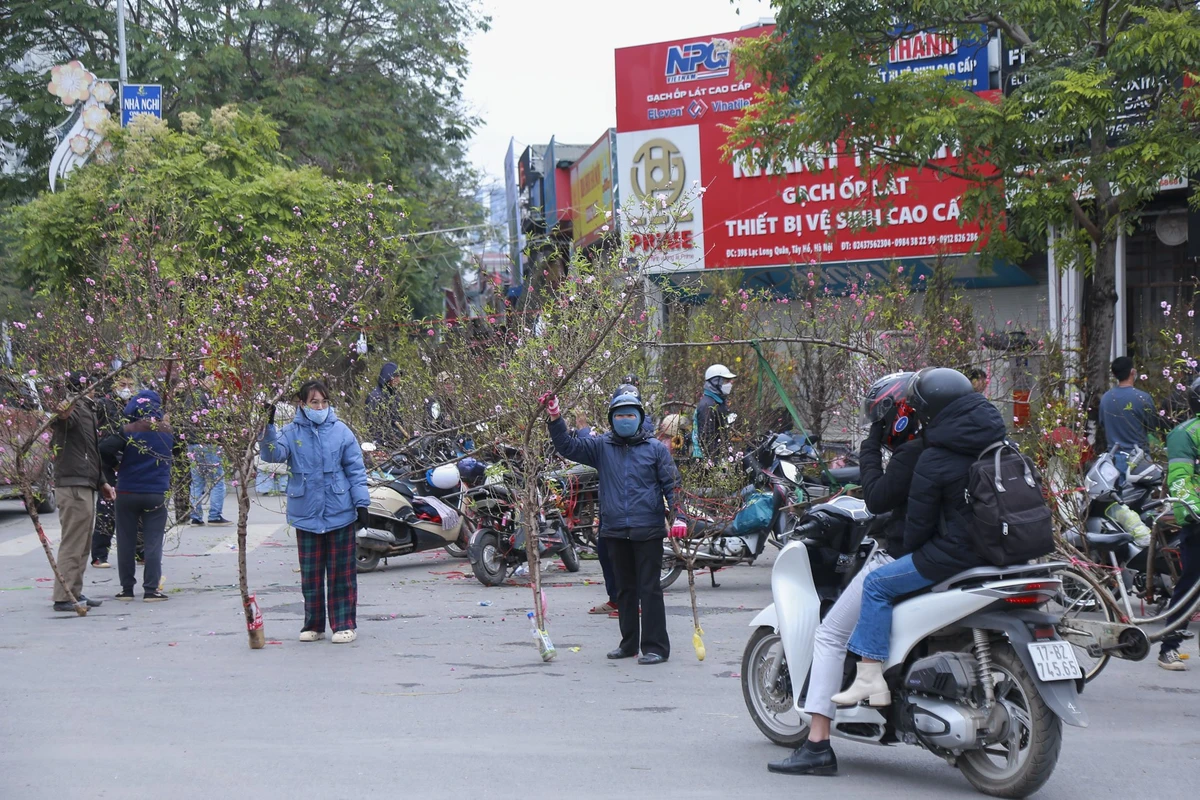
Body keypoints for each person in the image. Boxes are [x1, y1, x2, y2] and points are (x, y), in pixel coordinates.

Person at [769, 372, 925, 775]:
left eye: (879, 419)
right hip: (961, 555)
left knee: (831, 633)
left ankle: (818, 742)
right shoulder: (964, 444)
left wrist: (870, 446)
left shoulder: (913, 453)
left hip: (908, 553)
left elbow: (877, 496)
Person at [831, 368, 1001, 706]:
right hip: (1000, 550)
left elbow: (915, 532)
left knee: (877, 584)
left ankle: (869, 677)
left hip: (955, 554)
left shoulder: (932, 455)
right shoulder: (996, 442)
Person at [545, 390, 681, 664]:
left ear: (640, 417)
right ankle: (628, 644)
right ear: (612, 419)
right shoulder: (601, 447)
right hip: (615, 531)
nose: (625, 419)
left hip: (648, 531)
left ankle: (655, 648)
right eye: (619, 415)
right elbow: (567, 447)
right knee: (625, 590)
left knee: (649, 589)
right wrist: (555, 417)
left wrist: (680, 517)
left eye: (630, 414)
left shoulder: (655, 449)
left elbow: (672, 485)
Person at [260, 380, 370, 644]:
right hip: (306, 513)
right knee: (311, 575)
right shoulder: (290, 432)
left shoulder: (341, 431)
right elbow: (271, 454)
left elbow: (355, 470)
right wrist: (267, 427)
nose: (319, 407)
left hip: (339, 510)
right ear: (302, 404)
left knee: (341, 573)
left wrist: (361, 503)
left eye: (324, 401)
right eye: (314, 402)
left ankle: (344, 623)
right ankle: (314, 625)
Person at [50, 373, 117, 612]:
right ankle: (64, 596)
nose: (96, 389)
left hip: (86, 483)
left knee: (83, 542)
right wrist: (64, 412)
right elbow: (62, 420)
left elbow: (91, 451)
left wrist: (102, 482)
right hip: (73, 485)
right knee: (73, 542)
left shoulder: (88, 410)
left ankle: (74, 591)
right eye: (91, 384)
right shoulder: (73, 408)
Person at [107, 389, 176, 602]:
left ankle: (126, 590)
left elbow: (103, 449)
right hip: (155, 492)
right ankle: (151, 590)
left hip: (127, 491)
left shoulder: (126, 430)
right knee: (152, 541)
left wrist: (114, 467)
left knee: (126, 541)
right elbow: (180, 452)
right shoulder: (167, 431)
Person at [1158, 376, 1200, 670]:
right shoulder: (1184, 435)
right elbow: (1180, 481)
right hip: (1197, 522)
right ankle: (1168, 648)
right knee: (1190, 586)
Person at [90, 373, 134, 569]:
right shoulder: (103, 404)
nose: (126, 388)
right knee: (107, 509)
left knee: (135, 509)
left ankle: (141, 551)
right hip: (108, 461)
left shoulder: (131, 405)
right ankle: (100, 554)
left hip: (128, 462)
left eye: (130, 385)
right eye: (123, 384)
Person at [185, 373, 230, 526]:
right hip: (208, 442)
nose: (214, 382)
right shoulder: (206, 397)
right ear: (200, 380)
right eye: (211, 379)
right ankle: (215, 515)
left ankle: (196, 516)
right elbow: (215, 419)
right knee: (217, 480)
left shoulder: (189, 397)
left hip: (192, 443)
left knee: (197, 482)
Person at [1100, 356, 1163, 451]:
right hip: (1138, 456)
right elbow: (1153, 426)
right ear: (1132, 372)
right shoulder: (1142, 398)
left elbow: (1102, 424)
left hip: (1113, 457)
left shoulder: (1105, 398)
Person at [693, 364, 735, 459]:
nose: (730, 384)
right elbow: (707, 439)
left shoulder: (718, 402)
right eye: (726, 381)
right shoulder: (707, 406)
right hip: (708, 461)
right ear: (715, 382)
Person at [365, 361, 407, 449]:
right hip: (384, 446)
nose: (398, 380)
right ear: (388, 377)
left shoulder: (394, 396)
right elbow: (372, 426)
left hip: (397, 444)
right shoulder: (375, 398)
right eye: (396, 376)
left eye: (399, 376)